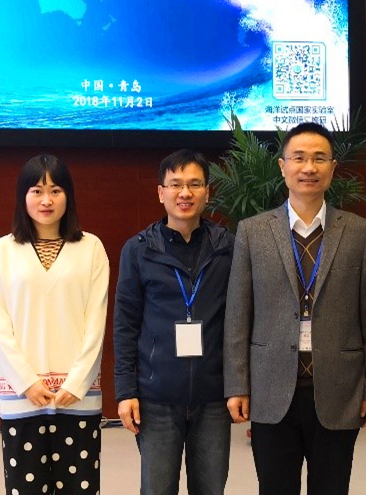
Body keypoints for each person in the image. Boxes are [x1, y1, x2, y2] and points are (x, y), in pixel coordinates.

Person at [224, 121, 366, 495]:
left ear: (333, 168)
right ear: (283, 166)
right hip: (271, 387)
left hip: (339, 387)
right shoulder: (253, 231)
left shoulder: (360, 233)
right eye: (299, 158)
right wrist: (237, 385)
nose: (309, 167)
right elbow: (238, 314)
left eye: (319, 158)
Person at [0, 155, 110, 495]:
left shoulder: (91, 248)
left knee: (80, 488)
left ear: (68, 195)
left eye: (55, 190)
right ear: (22, 196)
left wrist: (77, 382)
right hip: (21, 396)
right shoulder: (2, 251)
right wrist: (26, 382)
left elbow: (96, 322)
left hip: (77, 396)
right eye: (37, 191)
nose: (46, 200)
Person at [113, 149, 236, 495]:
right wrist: (126, 391)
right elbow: (125, 325)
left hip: (213, 399)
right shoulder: (138, 250)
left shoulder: (228, 248)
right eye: (176, 184)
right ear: (161, 192)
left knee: (211, 489)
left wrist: (239, 385)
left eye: (195, 184)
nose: (185, 193)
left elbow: (239, 321)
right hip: (156, 399)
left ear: (207, 192)